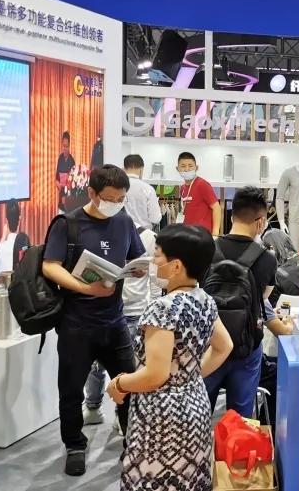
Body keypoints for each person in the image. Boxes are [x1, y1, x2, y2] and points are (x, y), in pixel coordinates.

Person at [108, 224, 234, 490]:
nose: (152, 262)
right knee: (189, 479)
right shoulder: (204, 299)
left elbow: (155, 374)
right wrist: (188, 376)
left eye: (157, 255)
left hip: (161, 417)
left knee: (154, 480)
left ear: (176, 265)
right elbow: (224, 347)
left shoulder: (162, 309)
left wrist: (119, 383)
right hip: (196, 406)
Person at [41, 165, 146, 477]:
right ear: (92, 193)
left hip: (115, 321)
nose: (115, 204)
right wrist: (86, 288)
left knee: (129, 385)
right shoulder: (68, 223)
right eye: (109, 198)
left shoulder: (124, 221)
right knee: (71, 390)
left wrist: (137, 268)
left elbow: (135, 256)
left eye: (121, 199)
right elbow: (50, 266)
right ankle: (75, 445)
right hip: (76, 322)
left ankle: (133, 442)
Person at [204, 186, 278, 418]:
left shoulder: (206, 249)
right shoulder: (267, 258)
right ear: (261, 221)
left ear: (231, 216)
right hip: (246, 347)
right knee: (240, 419)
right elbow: (263, 297)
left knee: (199, 413)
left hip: (208, 345)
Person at [82, 220, 160, 434]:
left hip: (134, 310)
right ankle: (93, 406)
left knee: (127, 367)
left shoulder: (147, 237)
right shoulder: (97, 233)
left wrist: (152, 307)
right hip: (103, 309)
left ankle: (121, 412)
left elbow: (153, 277)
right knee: (95, 364)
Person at [177, 152, 222, 234]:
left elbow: (216, 208)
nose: (187, 169)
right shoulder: (182, 188)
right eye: (183, 166)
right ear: (177, 169)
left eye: (190, 166)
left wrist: (215, 233)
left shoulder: (202, 184)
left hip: (202, 234)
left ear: (196, 168)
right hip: (188, 233)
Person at [122, 154, 162, 230]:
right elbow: (155, 218)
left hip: (122, 231)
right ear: (141, 169)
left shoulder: (117, 187)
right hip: (142, 233)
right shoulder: (148, 189)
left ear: (124, 169)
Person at [0, 199, 29, 277]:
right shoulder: (26, 247)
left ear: (6, 221)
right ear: (19, 220)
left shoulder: (1, 248)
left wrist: (3, 237)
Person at [56, 131, 76, 213]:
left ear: (69, 145)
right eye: (63, 146)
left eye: (66, 146)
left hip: (69, 200)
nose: (65, 148)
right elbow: (57, 177)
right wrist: (57, 183)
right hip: (61, 197)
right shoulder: (60, 158)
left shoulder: (72, 161)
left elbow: (73, 183)